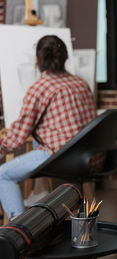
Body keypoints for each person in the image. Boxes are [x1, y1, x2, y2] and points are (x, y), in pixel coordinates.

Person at [0, 35, 96, 219]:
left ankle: (20, 233)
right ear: (65, 57)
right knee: (39, 140)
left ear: (37, 60)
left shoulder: (41, 87)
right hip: (88, 156)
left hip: (63, 157)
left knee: (3, 175)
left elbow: (19, 134)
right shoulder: (81, 83)